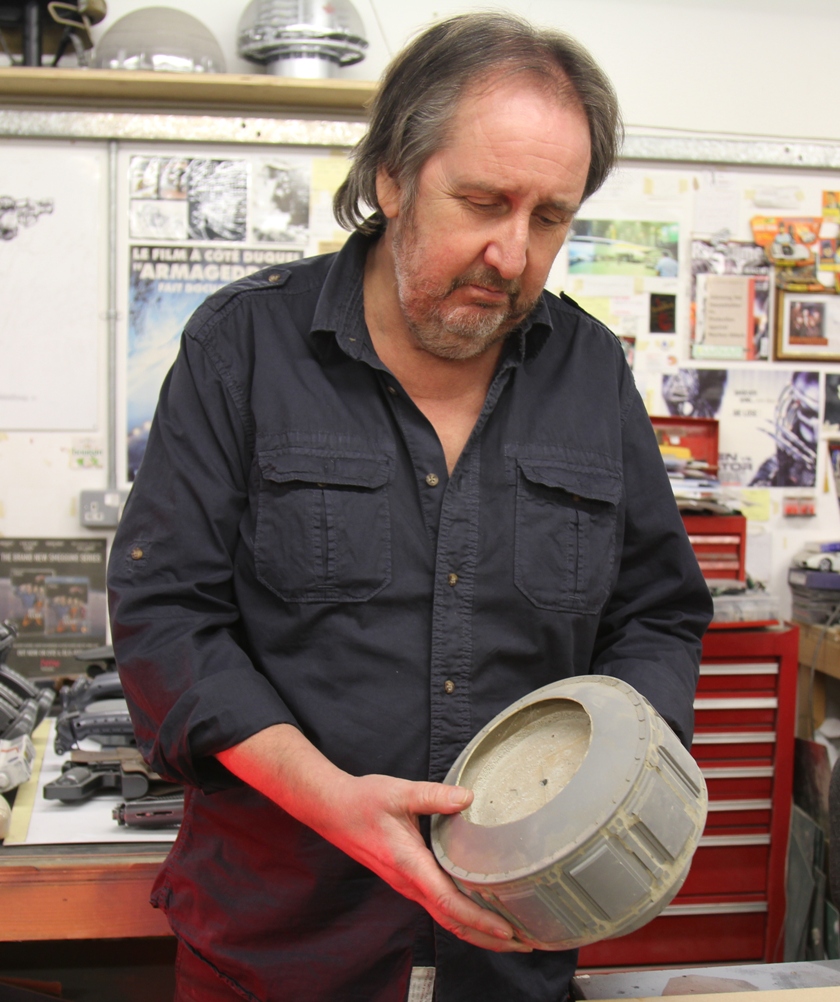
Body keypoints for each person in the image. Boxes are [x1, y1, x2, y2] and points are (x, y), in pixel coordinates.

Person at [108, 12, 712, 1002]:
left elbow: (657, 612)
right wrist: (338, 805)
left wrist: (621, 778)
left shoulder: (591, 371)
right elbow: (166, 619)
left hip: (516, 950)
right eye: (482, 201)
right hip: (283, 949)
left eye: (551, 217)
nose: (513, 255)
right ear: (392, 175)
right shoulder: (243, 349)